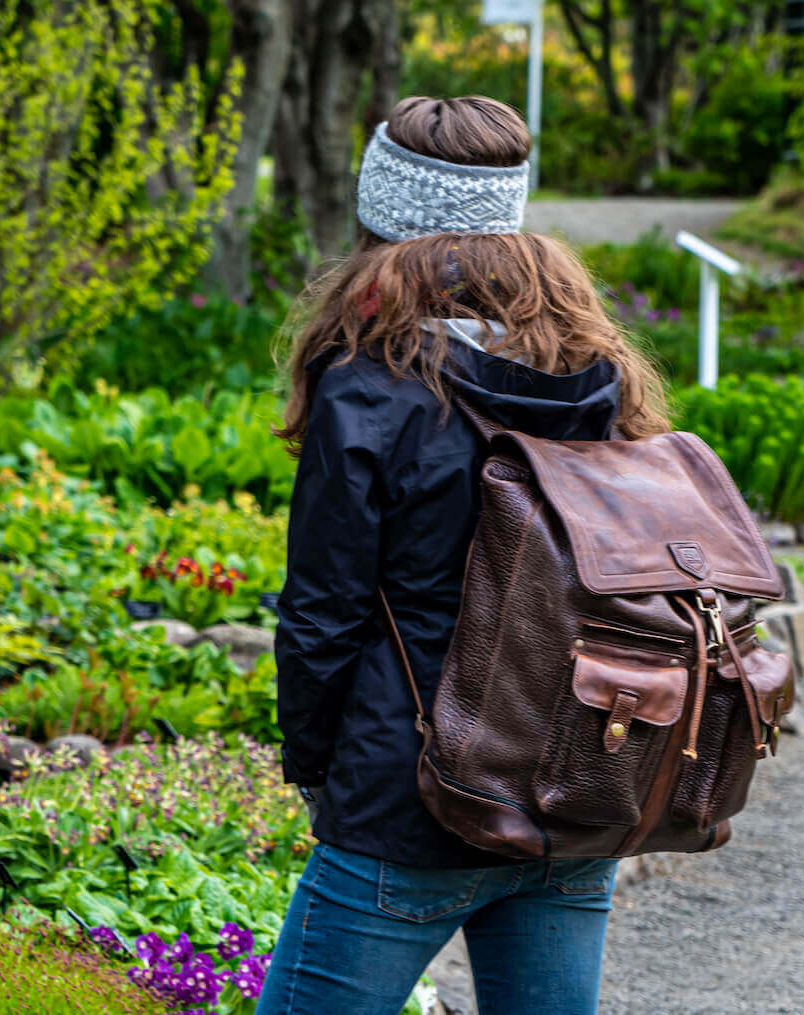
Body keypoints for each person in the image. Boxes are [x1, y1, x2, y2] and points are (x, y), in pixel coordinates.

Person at [260, 95, 671, 1015]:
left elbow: (323, 616)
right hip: (571, 787)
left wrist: (319, 771)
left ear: (378, 216)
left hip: (407, 798)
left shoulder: (370, 385)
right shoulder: (595, 375)